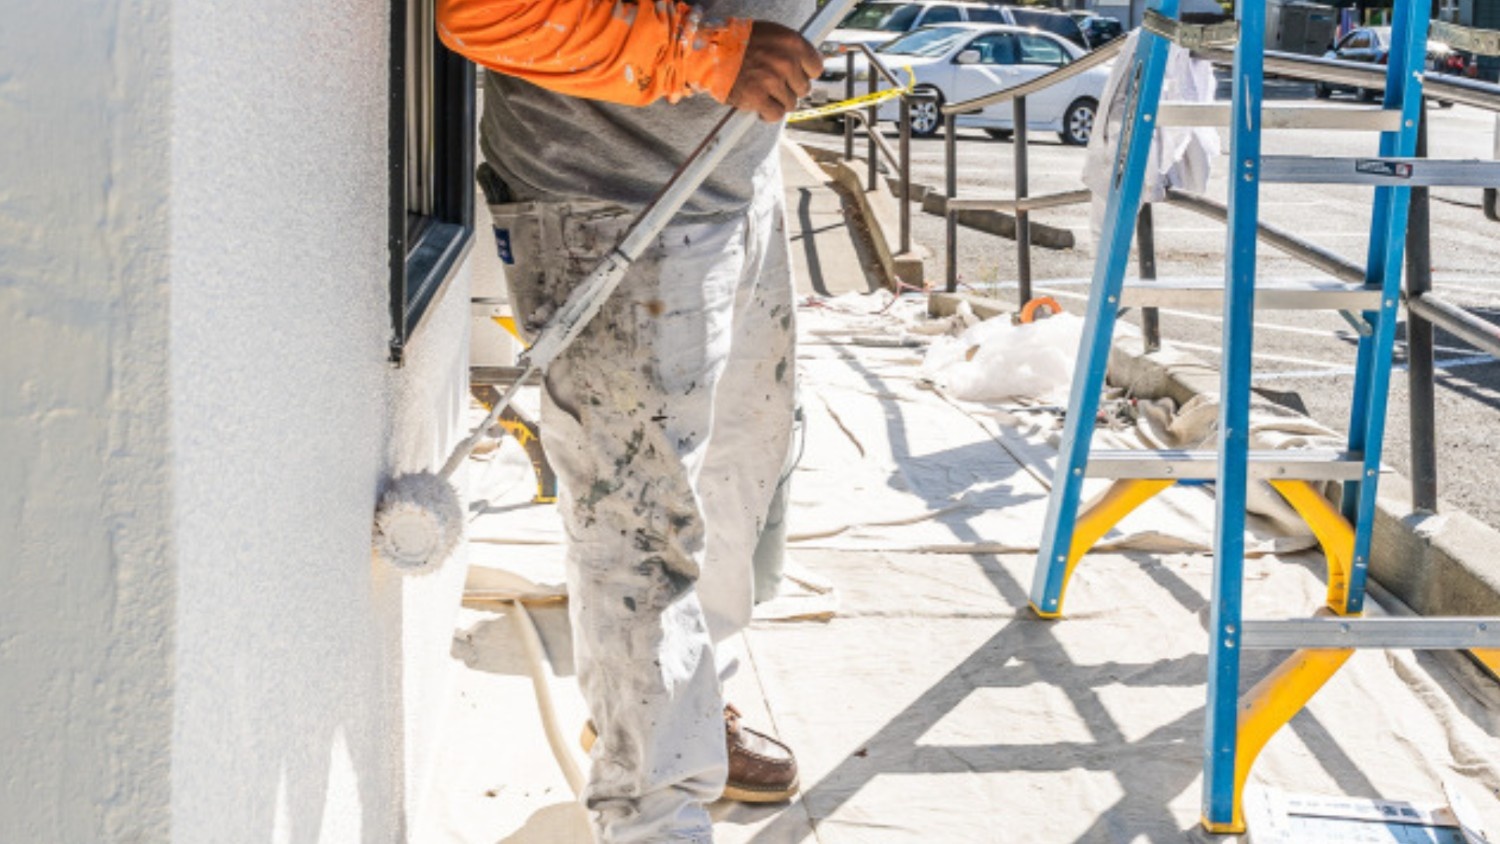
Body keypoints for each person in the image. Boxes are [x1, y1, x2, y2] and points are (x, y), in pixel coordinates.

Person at [435, 1, 822, 839]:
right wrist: (702, 52)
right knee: (640, 533)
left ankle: (678, 716)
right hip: (615, 200)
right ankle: (652, 816)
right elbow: (486, 12)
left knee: (732, 478)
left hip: (731, 168)